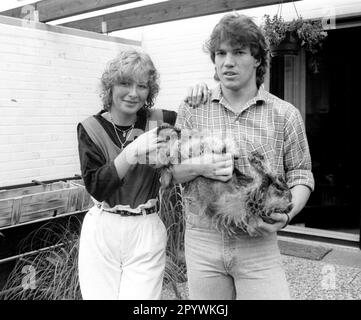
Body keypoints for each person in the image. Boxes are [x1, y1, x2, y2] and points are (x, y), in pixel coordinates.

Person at [172, 13, 315, 300]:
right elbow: (171, 173)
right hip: (203, 241)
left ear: (258, 59)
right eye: (221, 53)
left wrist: (287, 214)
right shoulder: (193, 109)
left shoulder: (285, 115)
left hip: (258, 243)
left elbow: (302, 174)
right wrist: (202, 166)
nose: (227, 62)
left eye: (238, 52)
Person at [76, 49, 178, 300]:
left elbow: (199, 121)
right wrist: (133, 152)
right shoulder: (90, 128)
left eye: (142, 86)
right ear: (110, 87)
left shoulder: (160, 120)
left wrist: (202, 93)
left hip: (145, 226)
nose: (134, 93)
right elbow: (97, 187)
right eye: (125, 83)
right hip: (103, 227)